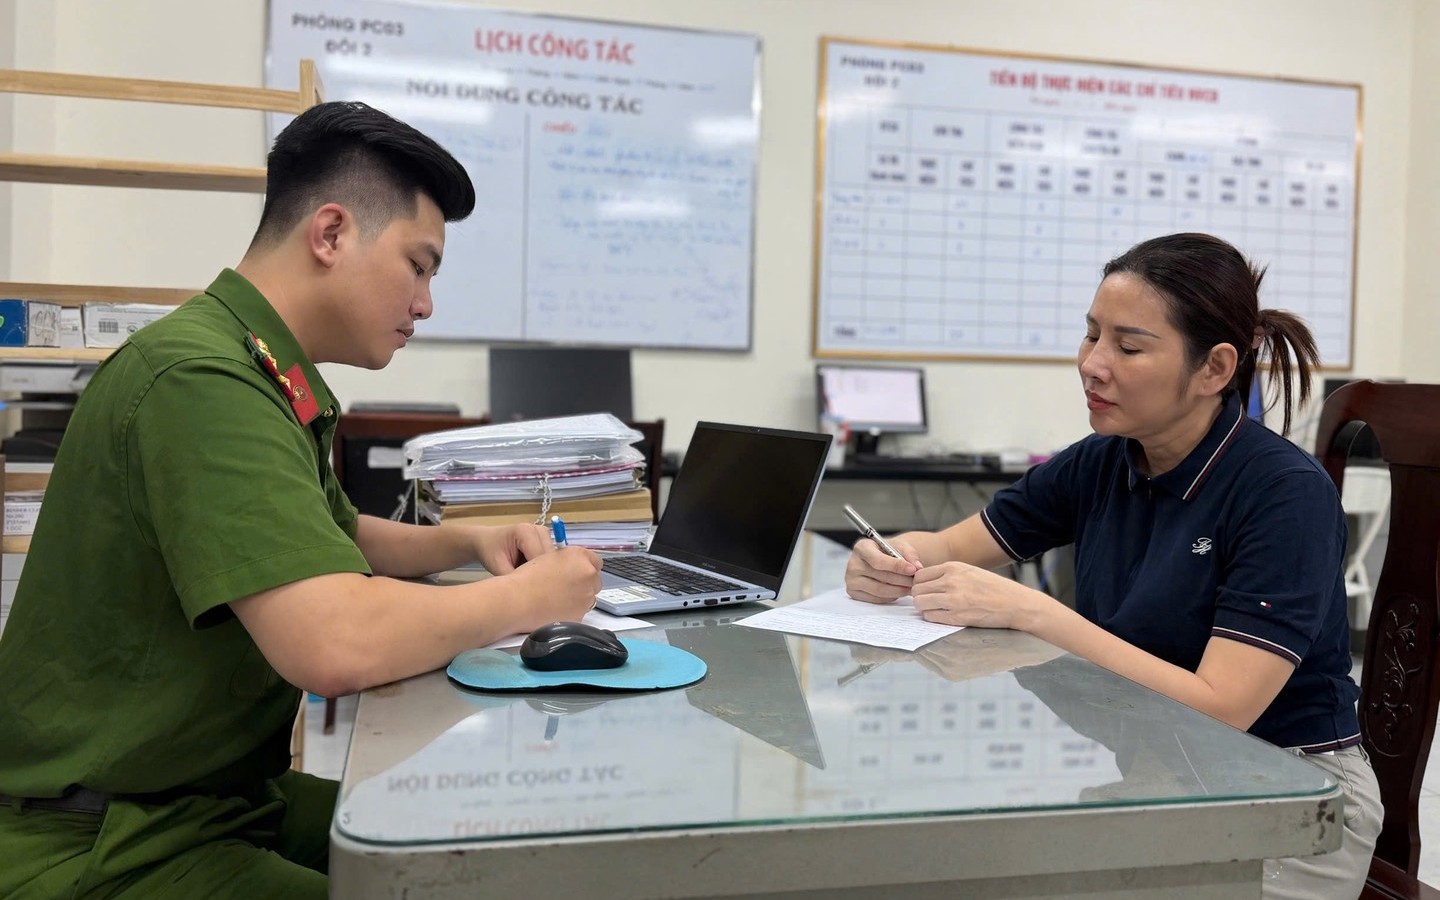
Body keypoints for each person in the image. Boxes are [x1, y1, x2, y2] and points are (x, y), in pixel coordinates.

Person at [0, 100, 602, 899]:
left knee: (481, 851)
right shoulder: (201, 381)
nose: (425, 302)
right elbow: (335, 643)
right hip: (102, 838)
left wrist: (469, 542)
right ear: (331, 234)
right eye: (419, 265)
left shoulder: (259, 368)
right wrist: (531, 600)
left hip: (210, 799)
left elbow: (335, 534)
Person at [846, 233, 1381, 899]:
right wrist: (887, 557)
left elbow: (1225, 707)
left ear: (1214, 369)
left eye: (1128, 348)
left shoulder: (1282, 493)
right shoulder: (1103, 460)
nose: (1092, 364)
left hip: (1288, 796)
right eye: (1091, 335)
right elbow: (948, 546)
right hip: (1162, 772)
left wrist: (1034, 614)